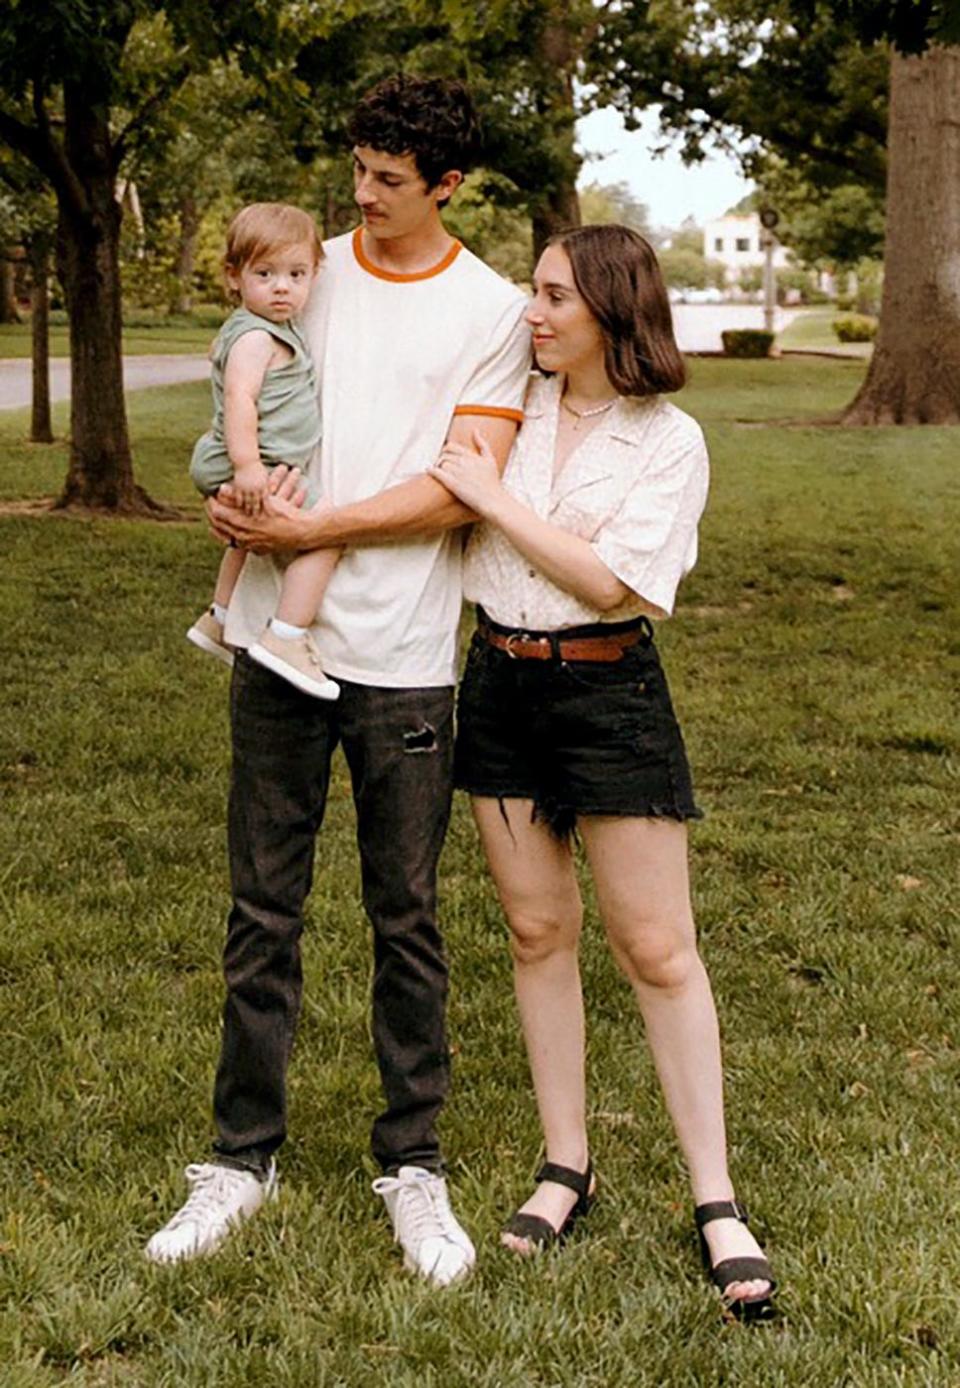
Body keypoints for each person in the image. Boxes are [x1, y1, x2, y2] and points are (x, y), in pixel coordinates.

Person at [144, 76, 530, 1287]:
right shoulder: (308, 266)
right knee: (262, 908)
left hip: (405, 658)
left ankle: (413, 1164)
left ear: (449, 186)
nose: (362, 196)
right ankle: (238, 1159)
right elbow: (249, 394)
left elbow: (459, 480)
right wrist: (235, 493)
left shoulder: (493, 309)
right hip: (274, 643)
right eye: (357, 169)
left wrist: (311, 535)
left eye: (390, 180)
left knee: (404, 917)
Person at [429, 224, 777, 1321]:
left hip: (610, 693)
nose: (530, 313)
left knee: (659, 949)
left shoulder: (668, 439)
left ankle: (715, 1196)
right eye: (532, 292)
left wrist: (495, 502)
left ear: (610, 313)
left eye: (551, 297)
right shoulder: (508, 409)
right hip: (498, 684)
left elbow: (614, 581)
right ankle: (564, 1161)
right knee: (538, 933)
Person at [187, 202, 339, 700]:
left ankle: (220, 616)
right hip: (258, 460)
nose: (282, 286)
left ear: (315, 273)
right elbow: (239, 399)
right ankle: (287, 636)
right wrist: (248, 466)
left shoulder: (272, 326)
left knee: (246, 538)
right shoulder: (256, 337)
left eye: (297, 274)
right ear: (234, 276)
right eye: (265, 273)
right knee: (326, 531)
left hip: (259, 459)